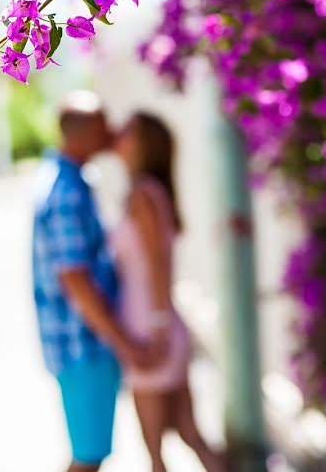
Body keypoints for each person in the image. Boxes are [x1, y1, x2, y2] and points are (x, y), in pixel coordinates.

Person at [32, 91, 156, 472]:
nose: (113, 133)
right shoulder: (66, 192)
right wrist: (125, 342)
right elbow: (76, 281)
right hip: (82, 345)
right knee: (88, 456)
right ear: (85, 132)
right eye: (105, 127)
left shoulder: (71, 180)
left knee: (90, 452)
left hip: (82, 343)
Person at [112, 112, 226, 472]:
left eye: (128, 131)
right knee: (190, 434)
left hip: (149, 329)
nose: (119, 134)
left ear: (143, 145)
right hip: (157, 323)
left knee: (156, 453)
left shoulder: (143, 195)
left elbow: (158, 265)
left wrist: (157, 327)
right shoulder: (151, 191)